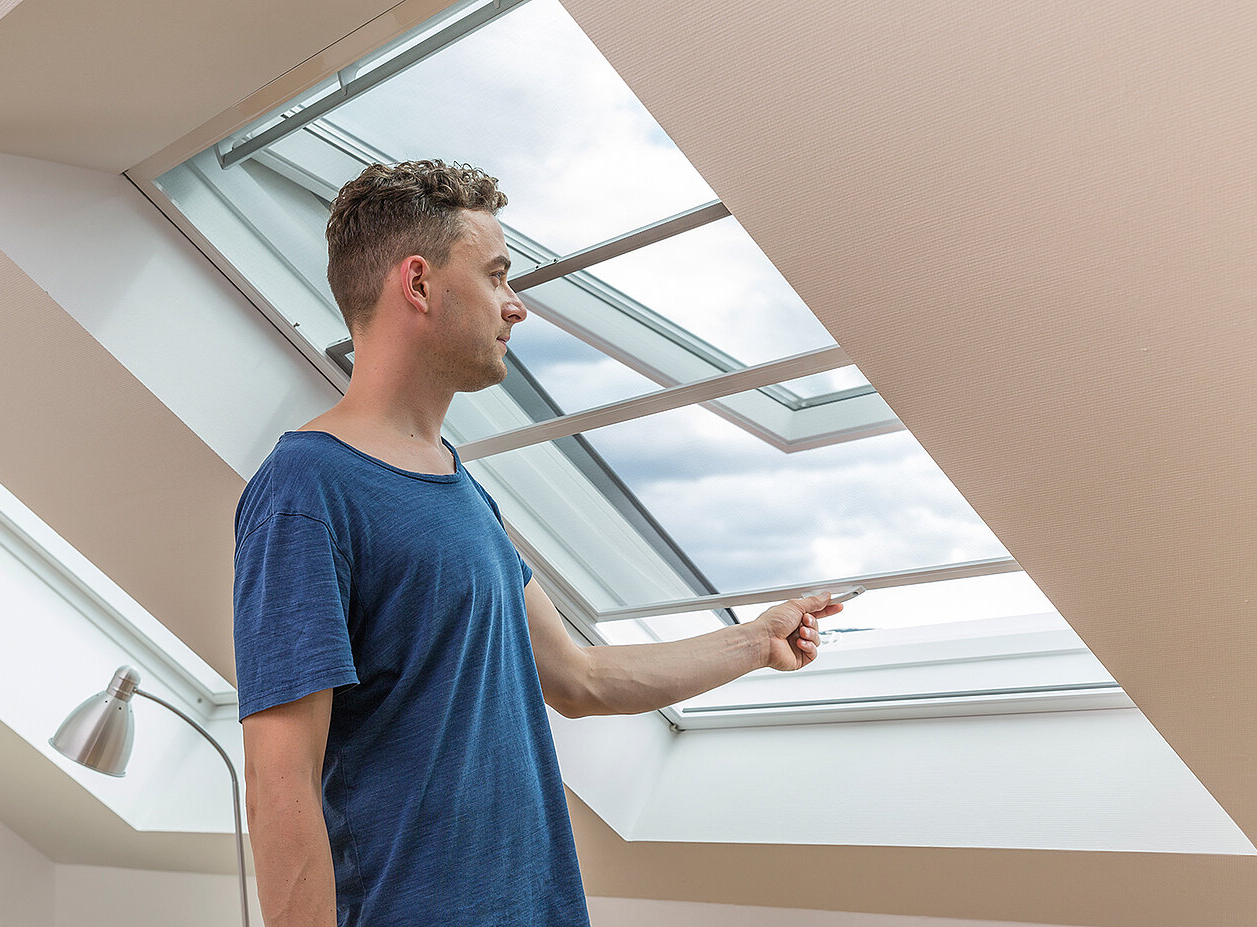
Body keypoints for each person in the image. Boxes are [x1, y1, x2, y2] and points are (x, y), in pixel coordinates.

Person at [232, 160, 842, 927]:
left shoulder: (461, 489)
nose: (515, 306)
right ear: (418, 284)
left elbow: (579, 676)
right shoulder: (306, 489)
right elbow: (277, 779)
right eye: (496, 275)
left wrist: (754, 641)